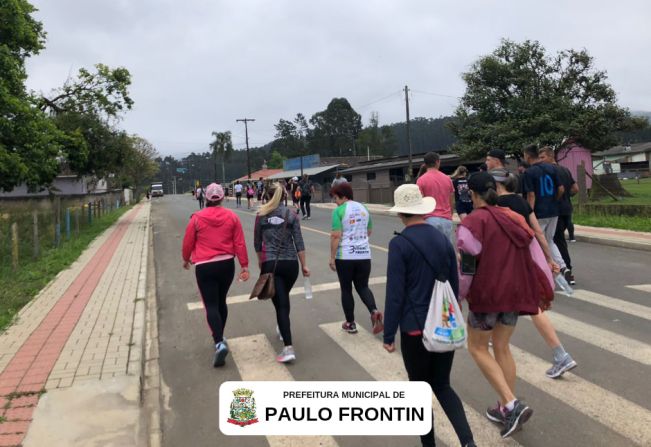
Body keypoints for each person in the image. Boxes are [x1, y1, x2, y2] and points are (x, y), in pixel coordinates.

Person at [457, 172, 554, 438]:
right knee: (501, 347)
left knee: (477, 347)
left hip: (486, 296)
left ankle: (511, 405)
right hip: (514, 294)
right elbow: (534, 255)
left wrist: (458, 296)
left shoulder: (472, 223)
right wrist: (546, 286)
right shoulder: (514, 218)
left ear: (472, 194)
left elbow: (467, 269)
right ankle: (504, 406)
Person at [383, 184, 476, 447]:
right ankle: (468, 442)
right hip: (443, 326)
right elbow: (454, 286)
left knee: (419, 391)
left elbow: (395, 294)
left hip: (415, 329)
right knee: (443, 385)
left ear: (401, 213)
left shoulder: (399, 244)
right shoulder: (441, 239)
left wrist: (389, 334)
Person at [491, 168, 578, 378]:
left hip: (508, 262)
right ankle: (559, 354)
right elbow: (537, 231)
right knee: (530, 305)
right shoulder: (521, 203)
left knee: (525, 305)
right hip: (527, 258)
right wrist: (548, 259)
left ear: (495, 186)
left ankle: (560, 354)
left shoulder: (494, 206)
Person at [182, 183, 249, 367]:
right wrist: (244, 265)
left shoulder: (196, 218)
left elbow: (188, 241)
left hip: (205, 266)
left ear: (205, 198)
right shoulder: (232, 217)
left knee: (210, 304)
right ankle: (220, 336)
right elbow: (240, 243)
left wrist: (185, 259)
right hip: (227, 264)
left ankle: (219, 341)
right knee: (221, 302)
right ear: (222, 197)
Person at [254, 182, 310, 363]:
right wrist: (304, 265)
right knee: (282, 297)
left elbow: (257, 243)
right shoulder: (291, 214)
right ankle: (281, 325)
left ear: (266, 196)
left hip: (272, 265)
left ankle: (288, 347)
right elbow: (299, 242)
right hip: (291, 265)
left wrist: (260, 261)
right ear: (283, 197)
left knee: (281, 304)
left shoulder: (261, 216)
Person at [329, 183, 383, 335]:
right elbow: (369, 231)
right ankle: (374, 310)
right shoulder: (364, 208)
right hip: (364, 255)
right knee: (363, 286)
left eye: (336, 198)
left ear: (344, 196)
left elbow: (336, 236)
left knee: (346, 289)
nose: (335, 201)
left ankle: (350, 323)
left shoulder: (338, 211)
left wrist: (332, 258)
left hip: (345, 256)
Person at [522, 145, 567, 276]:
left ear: (528, 156)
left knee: (535, 241)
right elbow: (561, 189)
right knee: (549, 240)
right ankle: (562, 266)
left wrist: (529, 213)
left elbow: (531, 195)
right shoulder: (552, 168)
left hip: (539, 212)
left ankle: (540, 270)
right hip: (553, 210)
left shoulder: (529, 172)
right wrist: (554, 200)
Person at [539, 147, 578, 285]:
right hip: (567, 209)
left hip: (556, 210)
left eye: (543, 157)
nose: (540, 160)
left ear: (551, 156)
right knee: (556, 240)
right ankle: (562, 269)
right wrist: (568, 197)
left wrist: (556, 200)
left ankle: (567, 271)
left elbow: (558, 189)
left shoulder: (550, 172)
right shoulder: (565, 170)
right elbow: (575, 188)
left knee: (557, 241)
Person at [416, 152, 455, 241]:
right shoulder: (447, 178)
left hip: (429, 219)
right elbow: (451, 200)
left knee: (431, 249)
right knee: (446, 249)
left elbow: (419, 202)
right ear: (438, 162)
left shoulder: (421, 180)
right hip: (446, 219)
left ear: (425, 164)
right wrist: (450, 215)